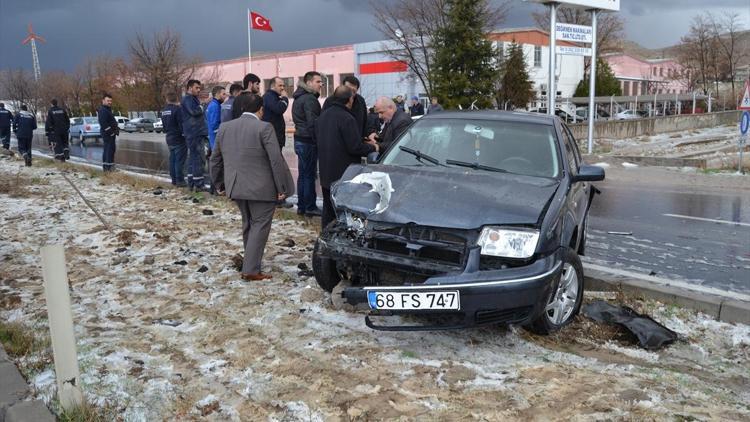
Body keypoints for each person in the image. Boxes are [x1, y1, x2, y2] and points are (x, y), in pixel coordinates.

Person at [209, 94, 295, 281]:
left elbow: (215, 159)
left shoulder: (225, 127)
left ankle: (251, 261)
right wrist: (281, 187)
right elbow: (275, 159)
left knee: (248, 223)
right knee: (259, 226)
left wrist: (218, 184)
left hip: (236, 185)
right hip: (262, 188)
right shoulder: (264, 127)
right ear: (260, 109)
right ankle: (250, 270)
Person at [316, 86, 379, 228]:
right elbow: (355, 147)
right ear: (350, 100)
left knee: (328, 209)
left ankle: (326, 235)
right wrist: (372, 147)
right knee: (343, 212)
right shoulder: (347, 118)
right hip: (343, 173)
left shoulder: (323, 116)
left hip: (326, 171)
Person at [292, 71, 323, 217]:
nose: (321, 84)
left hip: (300, 139)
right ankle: (309, 206)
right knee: (309, 174)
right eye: (318, 81)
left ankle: (302, 205)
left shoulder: (299, 97)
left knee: (303, 174)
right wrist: (318, 140)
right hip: (307, 141)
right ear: (309, 83)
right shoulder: (310, 99)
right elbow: (313, 123)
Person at [181, 79, 209, 191]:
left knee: (193, 158)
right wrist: (203, 104)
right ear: (189, 88)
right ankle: (199, 184)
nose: (199, 90)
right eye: (196, 88)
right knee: (198, 158)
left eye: (199, 88)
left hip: (193, 132)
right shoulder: (188, 99)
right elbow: (194, 111)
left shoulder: (191, 99)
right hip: (195, 133)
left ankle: (192, 182)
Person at [162, 92, 187, 186]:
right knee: (179, 161)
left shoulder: (164, 111)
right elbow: (182, 124)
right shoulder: (178, 110)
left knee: (172, 159)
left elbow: (164, 127)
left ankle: (174, 180)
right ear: (176, 99)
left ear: (167, 99)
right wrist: (184, 134)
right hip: (179, 138)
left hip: (169, 137)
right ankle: (180, 180)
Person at [262, 76, 289, 150]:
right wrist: (285, 98)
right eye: (280, 85)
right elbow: (279, 109)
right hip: (272, 138)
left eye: (283, 85)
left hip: (275, 137)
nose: (283, 88)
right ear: (272, 86)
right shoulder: (269, 97)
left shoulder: (274, 97)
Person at [97, 93, 119, 171]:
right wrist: (111, 132)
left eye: (110, 101)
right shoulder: (103, 110)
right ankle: (108, 168)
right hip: (108, 134)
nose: (109, 102)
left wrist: (116, 128)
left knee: (110, 149)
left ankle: (109, 167)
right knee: (109, 150)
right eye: (108, 100)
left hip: (110, 134)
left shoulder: (107, 109)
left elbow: (110, 121)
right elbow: (103, 123)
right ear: (103, 101)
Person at [206, 86, 226, 152]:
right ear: (217, 94)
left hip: (211, 138)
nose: (225, 96)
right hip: (215, 140)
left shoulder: (211, 104)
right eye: (223, 94)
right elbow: (215, 125)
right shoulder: (215, 106)